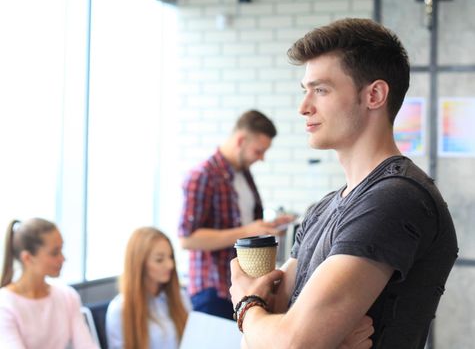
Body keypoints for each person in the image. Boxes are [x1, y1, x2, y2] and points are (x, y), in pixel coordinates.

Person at [229, 18, 458, 349]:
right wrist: (267, 324)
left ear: (374, 95)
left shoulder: (395, 199)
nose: (303, 107)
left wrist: (244, 304)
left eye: (320, 90)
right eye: (305, 91)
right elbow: (260, 340)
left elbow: (290, 342)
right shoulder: (322, 209)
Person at [178, 109, 294, 320]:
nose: (261, 158)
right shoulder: (202, 176)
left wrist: (268, 227)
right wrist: (247, 231)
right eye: (258, 151)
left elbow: (244, 225)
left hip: (242, 288)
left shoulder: (243, 175)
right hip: (213, 290)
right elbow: (187, 239)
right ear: (241, 140)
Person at [0, 218, 98, 348]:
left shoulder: (67, 296)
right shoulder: (5, 304)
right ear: (27, 258)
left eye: (61, 250)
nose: (63, 258)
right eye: (54, 253)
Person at [106, 227, 189, 349]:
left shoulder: (180, 297)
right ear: (139, 264)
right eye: (159, 260)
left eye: (170, 257)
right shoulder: (119, 309)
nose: (170, 265)